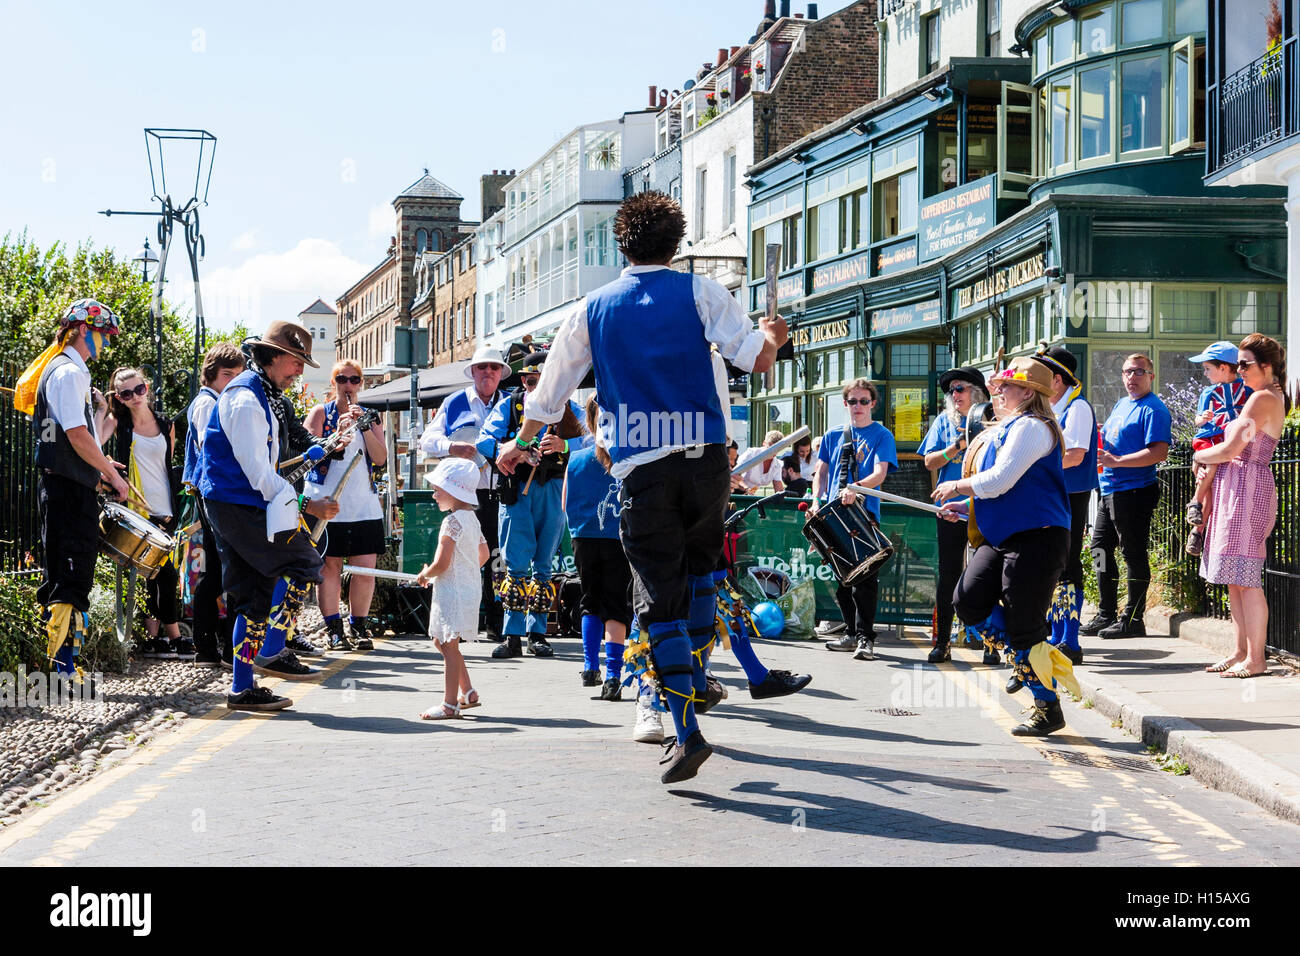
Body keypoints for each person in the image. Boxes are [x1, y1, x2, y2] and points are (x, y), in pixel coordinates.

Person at [496, 190, 786, 784]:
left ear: (619, 245)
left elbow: (547, 399)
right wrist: (773, 334)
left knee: (659, 601)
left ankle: (686, 731)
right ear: (678, 244)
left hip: (642, 469)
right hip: (706, 461)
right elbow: (758, 360)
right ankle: (700, 678)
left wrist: (520, 444)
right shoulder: (703, 292)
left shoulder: (591, 308)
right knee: (703, 574)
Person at [198, 320, 342, 711]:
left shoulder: (264, 393)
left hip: (244, 503)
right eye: (296, 362)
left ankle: (242, 688)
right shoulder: (245, 398)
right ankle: (273, 650)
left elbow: (270, 465)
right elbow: (259, 474)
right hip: (238, 504)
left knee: (253, 595)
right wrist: (300, 506)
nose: (299, 372)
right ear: (275, 357)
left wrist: (316, 452)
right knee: (307, 562)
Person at [933, 358, 1079, 736]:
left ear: (1028, 393)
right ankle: (1023, 656)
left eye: (1007, 386)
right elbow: (1002, 490)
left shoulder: (1034, 426)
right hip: (1006, 535)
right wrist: (965, 509)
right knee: (967, 600)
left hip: (1039, 536)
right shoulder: (1011, 426)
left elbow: (1000, 480)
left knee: (1024, 626)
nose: (998, 390)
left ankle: (1047, 707)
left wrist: (957, 487)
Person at [25, 299, 130, 690]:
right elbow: (75, 435)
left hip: (70, 485)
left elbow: (79, 440)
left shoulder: (69, 373)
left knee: (75, 576)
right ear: (85, 330)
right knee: (68, 578)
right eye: (104, 334)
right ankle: (61, 671)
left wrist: (100, 467)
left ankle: (66, 667)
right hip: (66, 490)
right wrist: (111, 476)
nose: (107, 342)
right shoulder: (69, 373)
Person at [476, 351, 582, 660]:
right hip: (516, 492)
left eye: (548, 380)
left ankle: (537, 634)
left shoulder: (568, 409)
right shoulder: (508, 407)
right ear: (524, 380)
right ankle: (512, 635)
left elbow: (593, 441)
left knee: (544, 566)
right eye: (534, 381)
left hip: (553, 489)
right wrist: (514, 452)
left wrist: (565, 444)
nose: (541, 386)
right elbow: (484, 441)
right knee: (516, 564)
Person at [1198, 334, 1288, 679]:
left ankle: (1255, 658)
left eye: (1245, 364)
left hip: (1247, 489)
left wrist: (1198, 454)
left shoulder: (1262, 399)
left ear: (1266, 366)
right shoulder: (1262, 396)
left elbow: (1229, 450)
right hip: (1239, 486)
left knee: (1247, 578)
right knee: (1236, 578)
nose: (1239, 370)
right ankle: (1240, 652)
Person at [421, 345, 511, 643]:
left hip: (502, 490)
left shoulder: (513, 404)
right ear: (472, 372)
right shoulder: (454, 402)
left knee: (498, 557)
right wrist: (452, 447)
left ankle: (498, 622)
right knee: (465, 554)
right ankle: (468, 618)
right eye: (482, 367)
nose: (488, 372)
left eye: (493, 368)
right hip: (463, 496)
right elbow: (427, 440)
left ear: (500, 374)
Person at [1083, 353, 1171, 639]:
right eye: (1127, 372)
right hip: (1109, 489)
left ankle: (1133, 618)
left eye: (1138, 372)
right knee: (1099, 549)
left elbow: (1159, 452)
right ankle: (1106, 612)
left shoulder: (1154, 409)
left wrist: (1118, 462)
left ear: (1151, 376)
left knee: (1133, 553)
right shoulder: (1122, 404)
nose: (1131, 377)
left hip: (1134, 490)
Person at [305, 359, 388, 651]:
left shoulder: (372, 416)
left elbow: (380, 458)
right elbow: (307, 454)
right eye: (342, 379)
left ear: (361, 384)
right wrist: (334, 437)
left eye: (354, 380)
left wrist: (364, 427)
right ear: (333, 383)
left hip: (362, 503)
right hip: (328, 501)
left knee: (364, 568)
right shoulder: (320, 413)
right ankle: (334, 630)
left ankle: (359, 626)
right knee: (330, 567)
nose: (348, 386)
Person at [812, 379, 898, 661]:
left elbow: (880, 473)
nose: (858, 406)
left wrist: (856, 488)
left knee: (865, 578)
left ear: (873, 403)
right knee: (841, 580)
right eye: (852, 401)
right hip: (833, 514)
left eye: (863, 401)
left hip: (862, 514)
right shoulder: (832, 434)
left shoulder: (881, 435)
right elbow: (821, 473)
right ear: (845, 403)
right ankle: (850, 633)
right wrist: (815, 502)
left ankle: (865, 638)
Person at [109, 367, 187, 659]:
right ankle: (175, 636)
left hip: (165, 507)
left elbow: (166, 466)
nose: (135, 397)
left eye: (139, 389)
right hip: (136, 510)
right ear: (120, 397)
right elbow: (100, 446)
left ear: (147, 386)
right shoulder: (120, 424)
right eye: (127, 393)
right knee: (162, 573)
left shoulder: (166, 424)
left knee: (156, 575)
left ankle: (154, 639)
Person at [1030, 345, 1097, 672]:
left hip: (1071, 495)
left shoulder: (1078, 408)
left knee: (1067, 565)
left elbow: (1076, 455)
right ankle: (1057, 635)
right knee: (1052, 567)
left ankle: (1070, 640)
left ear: (1057, 379)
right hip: (1052, 494)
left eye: (1044, 373)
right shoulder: (1052, 407)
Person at [181, 343, 246, 668]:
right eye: (227, 374)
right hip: (213, 492)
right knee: (222, 570)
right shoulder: (207, 403)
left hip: (214, 490)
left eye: (237, 375)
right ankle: (210, 647)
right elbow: (212, 445)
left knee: (219, 571)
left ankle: (215, 648)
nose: (232, 381)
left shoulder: (215, 401)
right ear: (210, 374)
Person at [919, 366, 988, 665]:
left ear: (977, 392)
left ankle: (991, 644)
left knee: (989, 575)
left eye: (960, 389)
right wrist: (956, 446)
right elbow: (929, 461)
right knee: (948, 574)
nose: (954, 395)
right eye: (951, 391)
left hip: (984, 506)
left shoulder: (990, 420)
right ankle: (943, 641)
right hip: (950, 508)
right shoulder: (944, 422)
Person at [565, 395, 630, 700]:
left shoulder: (576, 459)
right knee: (617, 605)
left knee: (590, 600)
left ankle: (591, 666)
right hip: (619, 538)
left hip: (584, 537)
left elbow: (566, 502)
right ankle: (614, 675)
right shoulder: (627, 459)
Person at [415, 458, 490, 719]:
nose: (434, 495)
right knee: (444, 641)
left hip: (453, 592)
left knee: (447, 644)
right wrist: (465, 570)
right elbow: (483, 553)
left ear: (454, 490)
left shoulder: (451, 522)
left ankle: (449, 704)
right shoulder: (471, 519)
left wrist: (426, 573)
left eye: (438, 489)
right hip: (468, 589)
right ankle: (467, 691)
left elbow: (441, 563)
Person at [1185, 342, 1252, 557]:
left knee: (1210, 483)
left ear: (1223, 367)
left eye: (1207, 369)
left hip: (1227, 442)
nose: (1205, 373)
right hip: (1208, 440)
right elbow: (1197, 420)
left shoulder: (1248, 390)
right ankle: (1195, 505)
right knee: (1211, 466)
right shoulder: (1208, 392)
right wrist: (1201, 418)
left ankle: (1197, 527)